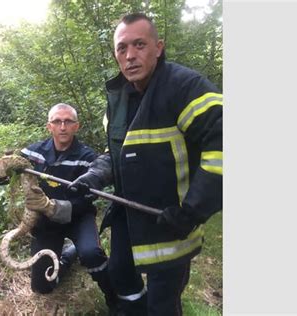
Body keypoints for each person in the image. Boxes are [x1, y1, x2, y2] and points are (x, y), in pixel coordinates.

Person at [68, 13, 223, 315]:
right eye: (122, 48)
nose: (130, 56)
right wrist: (92, 178)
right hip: (129, 214)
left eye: (139, 45)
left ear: (159, 47)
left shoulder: (185, 87)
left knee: (163, 302)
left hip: (171, 221)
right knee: (121, 275)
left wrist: (193, 209)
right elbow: (116, 156)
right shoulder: (118, 101)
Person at [21, 103, 117, 310]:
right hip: (46, 222)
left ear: (76, 126)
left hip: (78, 217)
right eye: (57, 121)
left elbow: (88, 199)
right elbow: (5, 171)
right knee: (41, 288)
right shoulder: (33, 153)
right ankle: (67, 256)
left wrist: (56, 207)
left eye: (68, 121)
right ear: (49, 126)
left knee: (91, 254)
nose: (62, 126)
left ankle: (114, 298)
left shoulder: (87, 157)